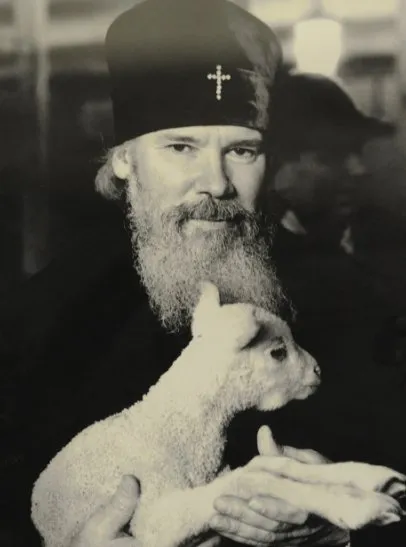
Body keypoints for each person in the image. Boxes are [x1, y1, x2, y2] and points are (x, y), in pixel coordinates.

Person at [1, 1, 402, 546]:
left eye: (242, 150)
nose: (215, 183)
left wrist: (340, 529)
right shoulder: (44, 315)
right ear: (124, 160)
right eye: (181, 147)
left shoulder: (354, 296)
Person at [271, 72, 395, 255]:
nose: (359, 170)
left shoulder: (381, 238)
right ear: (283, 166)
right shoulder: (262, 257)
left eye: (357, 151)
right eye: (334, 155)